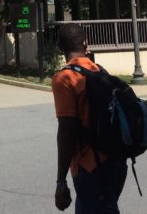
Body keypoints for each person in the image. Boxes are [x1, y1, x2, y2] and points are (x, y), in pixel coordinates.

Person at [52, 23, 128, 213]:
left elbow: (67, 130)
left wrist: (61, 180)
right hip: (116, 161)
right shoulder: (99, 71)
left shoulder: (64, 78)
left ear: (60, 47)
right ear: (86, 44)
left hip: (90, 166)